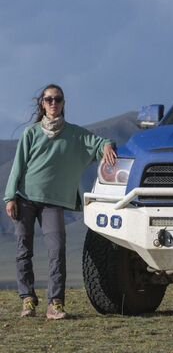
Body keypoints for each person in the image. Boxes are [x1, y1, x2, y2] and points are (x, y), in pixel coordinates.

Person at [3, 84, 117, 319]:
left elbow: (98, 142)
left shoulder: (74, 133)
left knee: (57, 250)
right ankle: (27, 299)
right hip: (24, 199)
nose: (53, 103)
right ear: (42, 104)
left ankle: (55, 303)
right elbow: (18, 167)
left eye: (58, 99)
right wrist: (10, 197)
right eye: (49, 99)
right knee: (23, 250)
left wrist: (106, 145)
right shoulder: (31, 133)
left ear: (63, 103)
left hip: (52, 202)